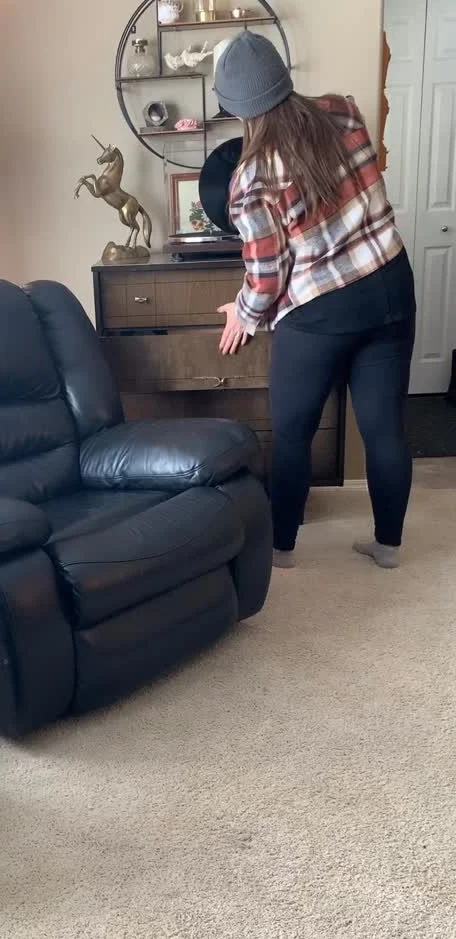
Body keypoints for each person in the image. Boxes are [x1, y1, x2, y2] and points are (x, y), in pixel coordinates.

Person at [214, 32, 416, 569]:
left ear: (235, 108)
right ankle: (389, 547)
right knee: (384, 428)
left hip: (321, 309)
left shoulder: (250, 176)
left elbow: (267, 275)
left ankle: (282, 550)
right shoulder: (344, 111)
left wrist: (242, 313)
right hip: (391, 285)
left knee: (293, 433)